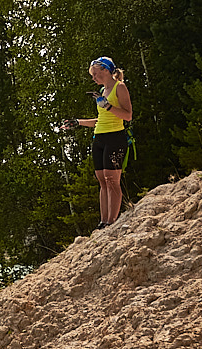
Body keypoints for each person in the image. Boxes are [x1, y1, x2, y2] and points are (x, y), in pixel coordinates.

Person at [63, 56, 133, 229]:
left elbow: (128, 115)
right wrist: (78, 122)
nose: (93, 78)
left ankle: (112, 222)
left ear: (106, 71)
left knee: (112, 179)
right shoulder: (102, 92)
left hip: (115, 137)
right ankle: (103, 222)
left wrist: (108, 106)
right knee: (102, 180)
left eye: (95, 74)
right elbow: (100, 119)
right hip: (99, 137)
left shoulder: (120, 87)